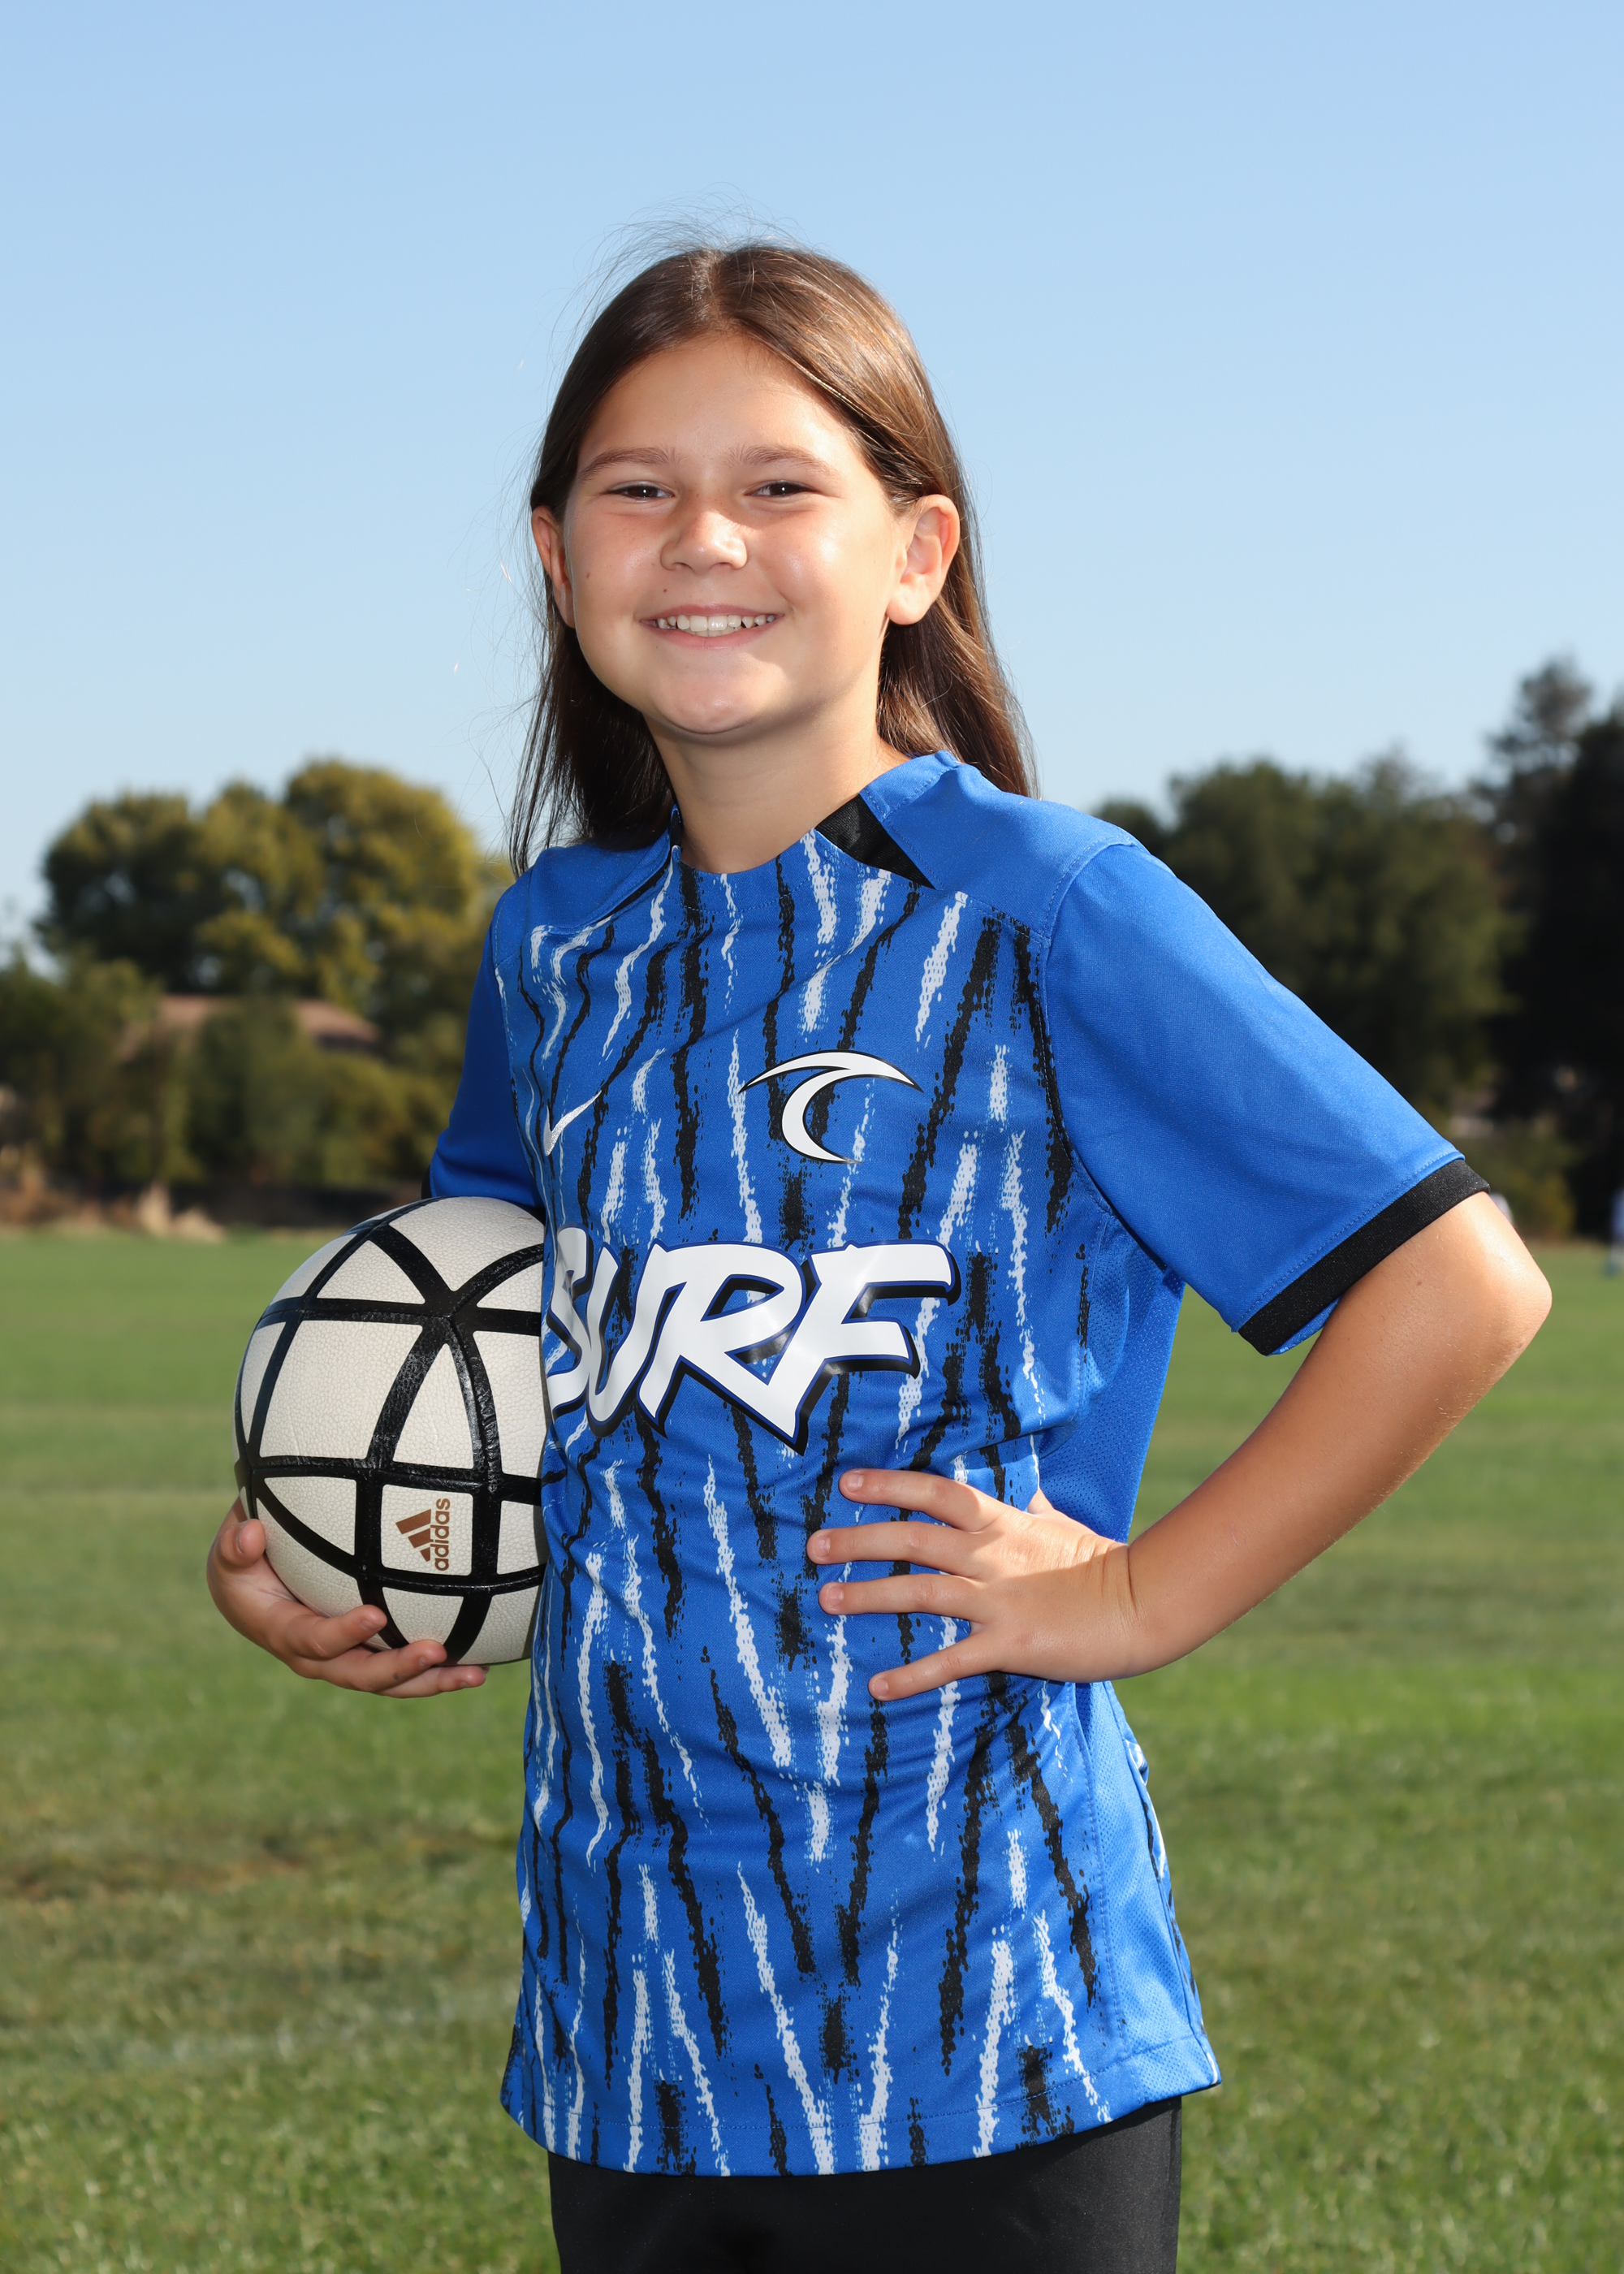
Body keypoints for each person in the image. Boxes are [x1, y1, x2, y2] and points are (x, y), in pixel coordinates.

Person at [207, 243, 1551, 2272]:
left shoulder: (1048, 908)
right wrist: (344, 1541)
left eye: (779, 484)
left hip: (985, 2008)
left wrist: (1137, 1591)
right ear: (558, 557)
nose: (704, 537)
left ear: (917, 550)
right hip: (631, 2014)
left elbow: (1458, 1281)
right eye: (638, 488)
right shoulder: (556, 948)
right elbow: (486, 1335)